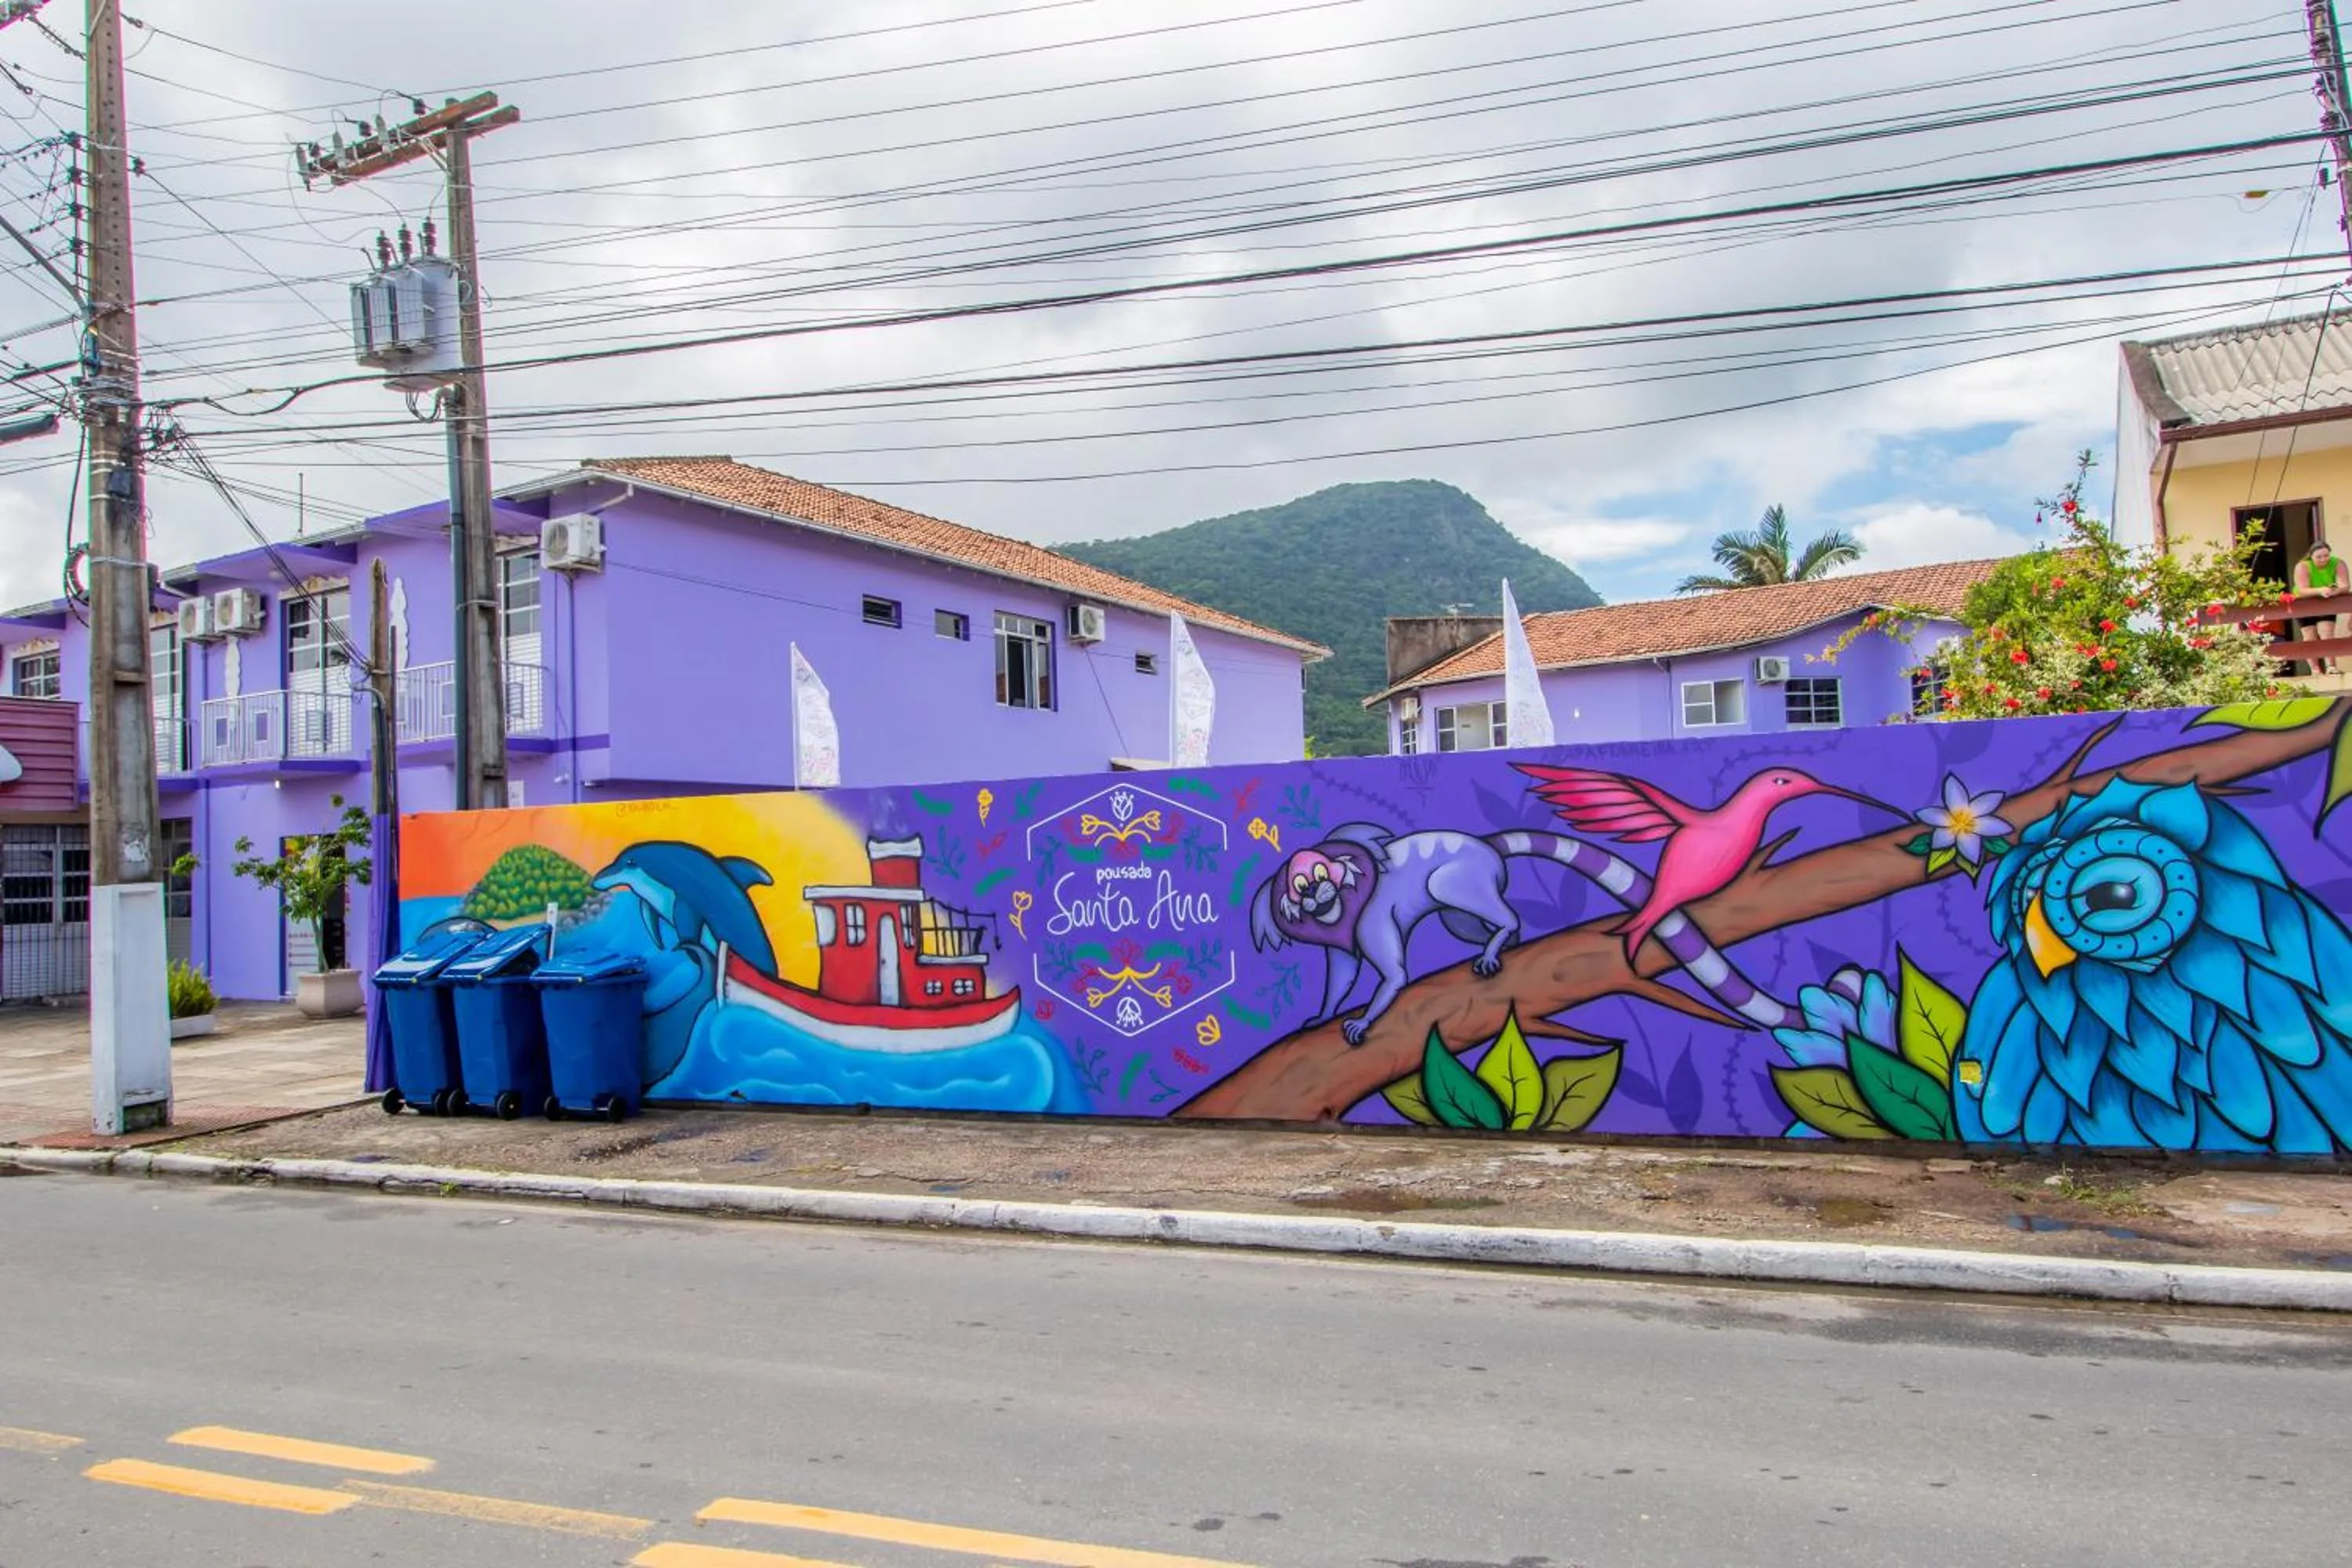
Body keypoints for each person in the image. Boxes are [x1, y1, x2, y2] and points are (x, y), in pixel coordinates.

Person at [2294, 539, 2350, 674]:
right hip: (2304, 603)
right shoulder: (2303, 566)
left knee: (2326, 632)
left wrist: (2335, 591)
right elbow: (2302, 589)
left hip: (2326, 602)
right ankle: (2315, 669)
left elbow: (2345, 586)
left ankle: (2331, 666)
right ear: (2311, 556)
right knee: (2310, 636)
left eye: (2326, 556)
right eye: (2319, 557)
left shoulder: (2338, 563)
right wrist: (2320, 590)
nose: (2323, 559)